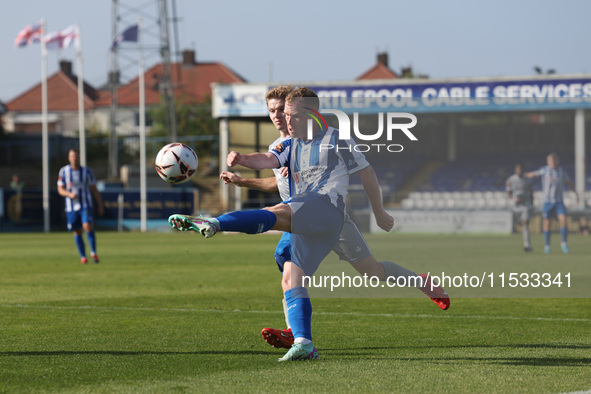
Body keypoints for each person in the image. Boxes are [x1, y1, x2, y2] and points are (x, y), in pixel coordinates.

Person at [170, 87, 448, 361]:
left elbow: (367, 173)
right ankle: (301, 338)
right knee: (291, 275)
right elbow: (268, 161)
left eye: (289, 112)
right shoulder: (286, 145)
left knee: (372, 272)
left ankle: (419, 280)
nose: (284, 118)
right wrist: (243, 162)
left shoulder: (336, 140)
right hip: (301, 215)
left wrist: (379, 211)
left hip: (328, 215)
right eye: (278, 112)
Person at [57, 149, 104, 264]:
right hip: (71, 207)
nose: (74, 158)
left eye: (76, 156)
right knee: (77, 231)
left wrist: (100, 205)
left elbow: (94, 189)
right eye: (72, 156)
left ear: (79, 158)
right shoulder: (63, 172)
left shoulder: (87, 172)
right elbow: (60, 189)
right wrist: (69, 194)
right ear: (69, 158)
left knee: (87, 225)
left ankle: (93, 252)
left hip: (85, 204)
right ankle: (83, 256)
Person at [525, 153, 578, 254]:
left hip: (559, 202)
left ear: (557, 161)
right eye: (550, 161)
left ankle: (564, 244)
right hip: (547, 202)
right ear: (547, 162)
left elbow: (569, 182)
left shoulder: (562, 171)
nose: (552, 162)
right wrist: (524, 175)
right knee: (547, 224)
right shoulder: (545, 170)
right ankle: (547, 246)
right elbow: (533, 174)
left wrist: (576, 193)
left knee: (564, 221)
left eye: (554, 160)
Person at [505, 164, 534, 252]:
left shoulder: (528, 181)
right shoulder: (510, 180)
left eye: (521, 169)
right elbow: (508, 194)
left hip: (526, 205)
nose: (519, 171)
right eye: (517, 169)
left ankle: (527, 244)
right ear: (515, 170)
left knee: (525, 223)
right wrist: (515, 199)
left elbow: (531, 193)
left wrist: (532, 205)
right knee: (521, 223)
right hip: (516, 206)